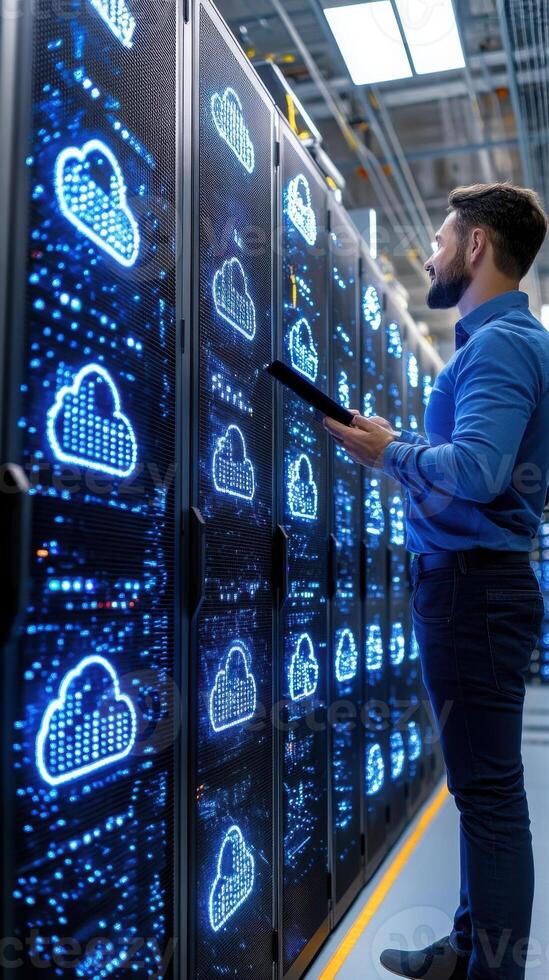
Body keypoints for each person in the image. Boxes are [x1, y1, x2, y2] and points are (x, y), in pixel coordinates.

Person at [324, 182, 549, 980]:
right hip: (473, 589)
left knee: (488, 800)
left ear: (477, 246)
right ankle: (466, 950)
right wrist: (399, 442)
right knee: (479, 793)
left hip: (472, 592)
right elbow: (477, 465)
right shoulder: (502, 344)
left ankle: (488, 971)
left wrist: (388, 452)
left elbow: (481, 473)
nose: (427, 254)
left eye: (440, 238)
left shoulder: (499, 345)